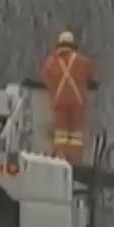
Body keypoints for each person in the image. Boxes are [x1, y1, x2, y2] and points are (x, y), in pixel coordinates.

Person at [40, 30, 97, 164]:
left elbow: (46, 77)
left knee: (61, 133)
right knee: (76, 134)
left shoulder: (50, 63)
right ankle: (75, 161)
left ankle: (62, 158)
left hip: (59, 101)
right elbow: (91, 74)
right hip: (77, 101)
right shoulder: (82, 61)